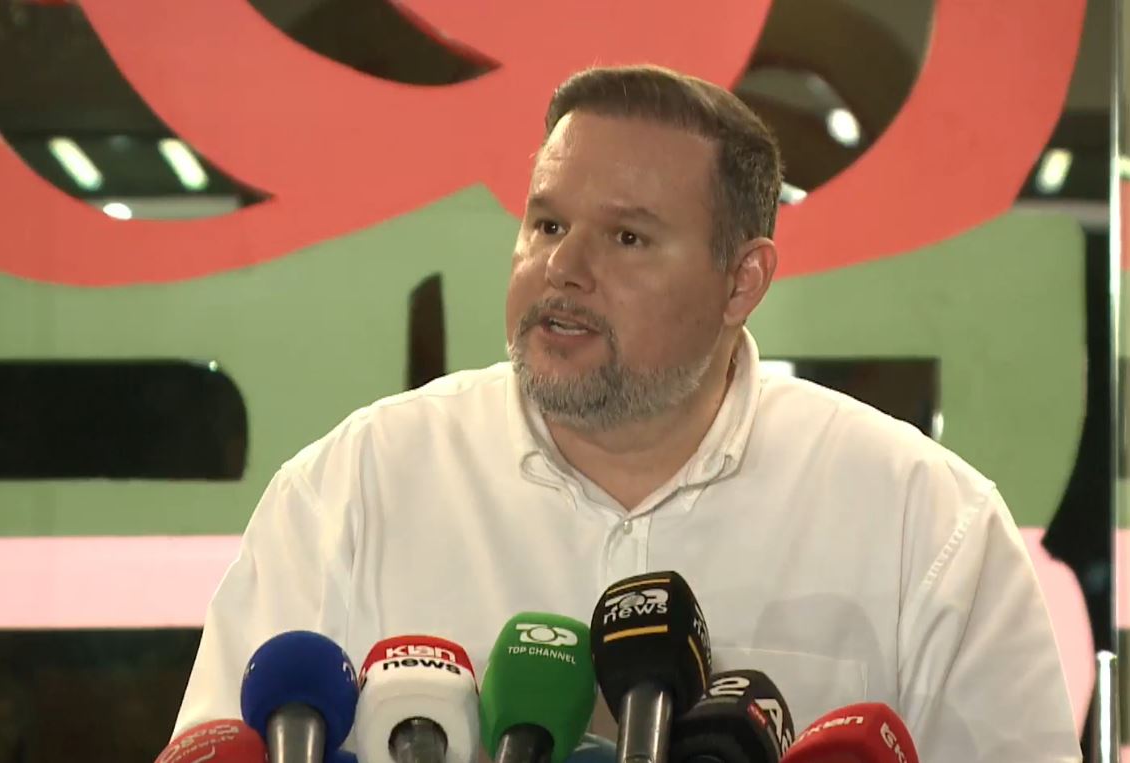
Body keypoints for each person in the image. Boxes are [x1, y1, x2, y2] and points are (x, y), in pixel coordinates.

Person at [174, 65, 1078, 760]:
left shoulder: (923, 519)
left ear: (741, 281)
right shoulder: (350, 489)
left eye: (627, 236)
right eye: (546, 224)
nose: (562, 269)